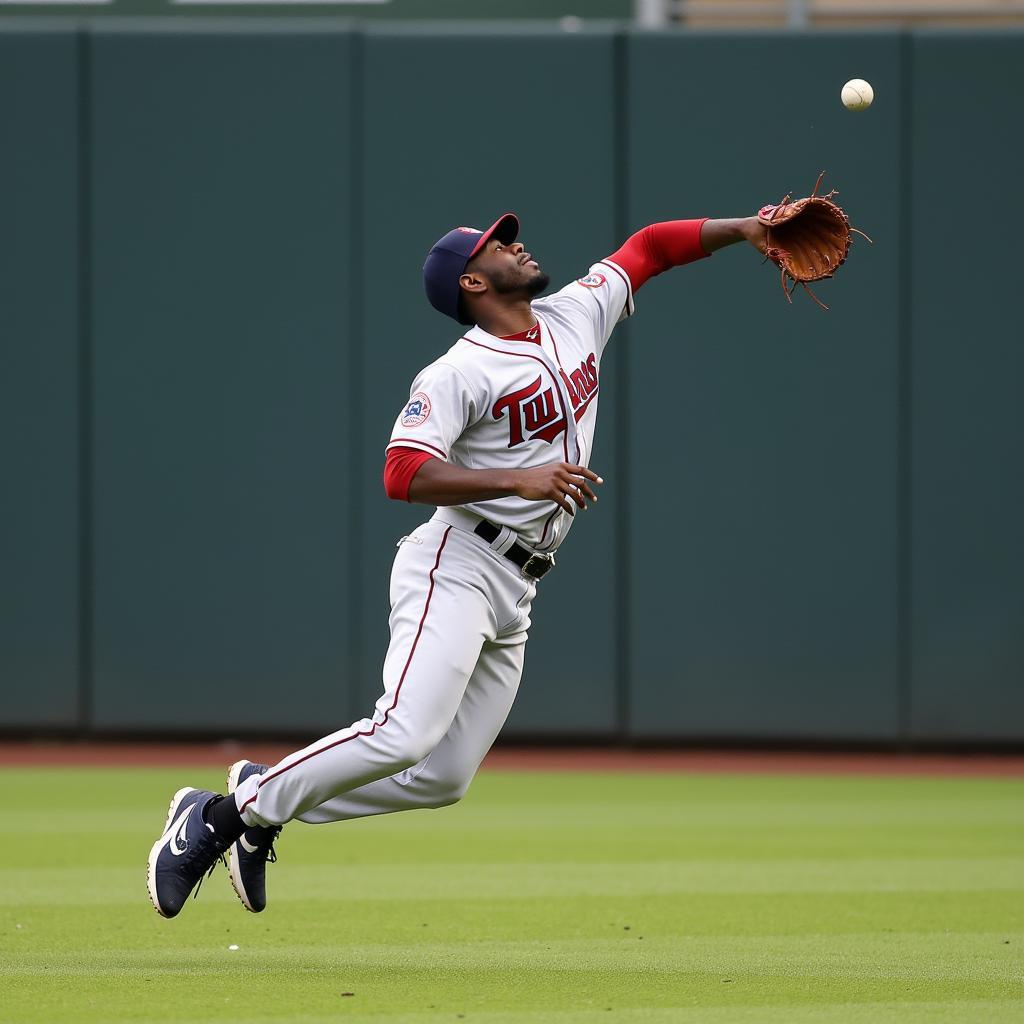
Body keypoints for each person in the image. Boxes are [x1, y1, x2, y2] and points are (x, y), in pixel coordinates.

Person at [146, 208, 768, 918]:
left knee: (443, 777)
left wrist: (747, 226)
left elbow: (651, 246)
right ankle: (222, 817)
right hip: (459, 562)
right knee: (403, 730)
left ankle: (260, 800)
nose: (516, 244)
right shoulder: (458, 371)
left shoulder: (576, 314)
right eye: (498, 245)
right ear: (473, 280)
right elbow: (401, 472)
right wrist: (517, 479)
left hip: (519, 583)